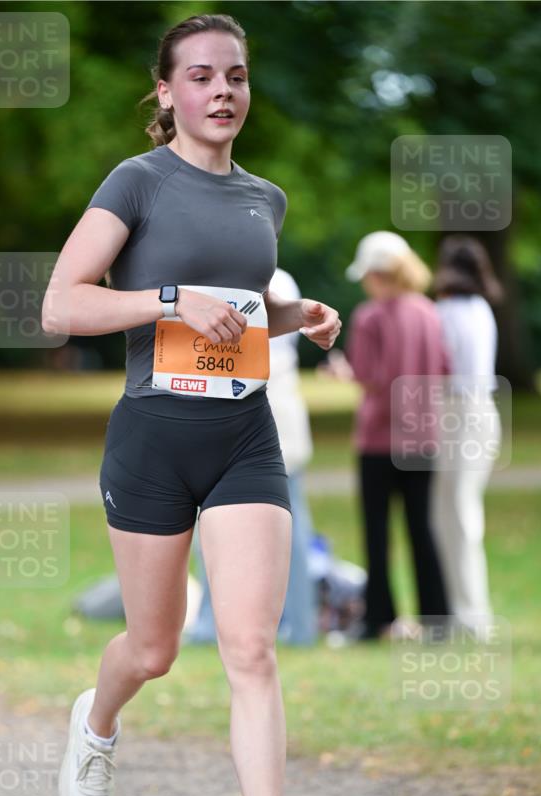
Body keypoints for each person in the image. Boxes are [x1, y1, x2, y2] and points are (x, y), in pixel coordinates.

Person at [41, 13, 339, 796]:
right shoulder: (136, 182)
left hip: (244, 441)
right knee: (156, 648)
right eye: (202, 76)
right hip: (153, 443)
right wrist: (168, 297)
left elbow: (238, 313)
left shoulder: (267, 199)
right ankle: (98, 721)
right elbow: (62, 305)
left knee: (250, 647)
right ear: (166, 92)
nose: (222, 92)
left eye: (236, 77)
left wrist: (294, 318)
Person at [188, 265, 318, 646]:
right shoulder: (281, 279)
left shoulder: (232, 281)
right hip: (277, 415)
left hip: (255, 413)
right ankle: (297, 624)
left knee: (220, 524)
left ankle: (215, 623)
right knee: (288, 527)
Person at [343, 231, 451, 640]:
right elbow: (443, 368)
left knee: (377, 530)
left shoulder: (370, 317)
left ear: (376, 273)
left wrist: (344, 372)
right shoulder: (429, 312)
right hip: (423, 438)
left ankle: (378, 619)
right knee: (422, 528)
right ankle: (437, 617)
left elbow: (370, 376)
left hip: (378, 438)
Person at [430, 236, 504, 637]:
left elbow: (441, 371)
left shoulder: (446, 312)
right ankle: (462, 609)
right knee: (458, 513)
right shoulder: (481, 310)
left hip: (458, 413)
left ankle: (471, 615)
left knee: (456, 515)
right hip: (482, 412)